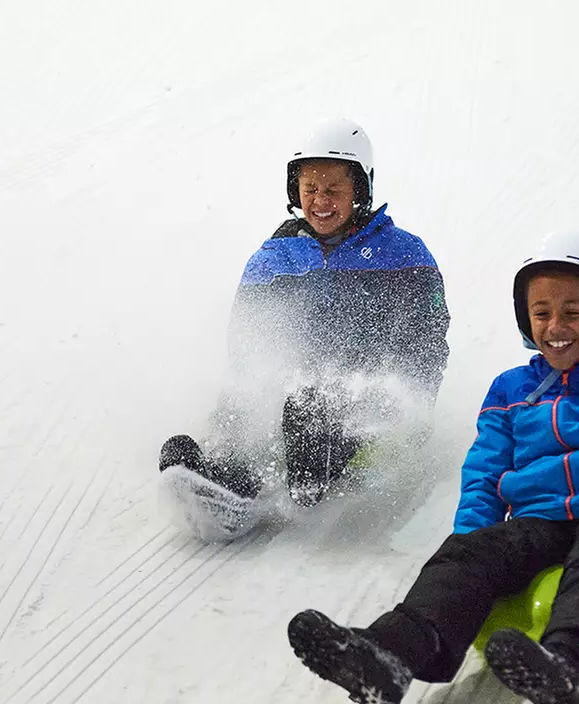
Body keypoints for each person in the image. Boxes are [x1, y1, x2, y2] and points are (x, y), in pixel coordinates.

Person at [286, 232, 579, 704]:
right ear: (525, 318)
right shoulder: (511, 390)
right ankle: (392, 656)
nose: (556, 327)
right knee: (463, 559)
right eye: (542, 313)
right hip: (538, 518)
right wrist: (472, 541)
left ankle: (571, 670)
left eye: (573, 313)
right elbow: (485, 475)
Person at [160, 118, 450, 509]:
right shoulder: (274, 258)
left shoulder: (403, 256)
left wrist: (407, 413)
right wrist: (236, 414)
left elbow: (427, 342)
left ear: (359, 191)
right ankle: (225, 477)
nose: (320, 200)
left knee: (307, 404)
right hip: (292, 407)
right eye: (310, 188)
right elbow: (246, 349)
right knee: (247, 410)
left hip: (371, 420)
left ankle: (298, 478)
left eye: (333, 189)